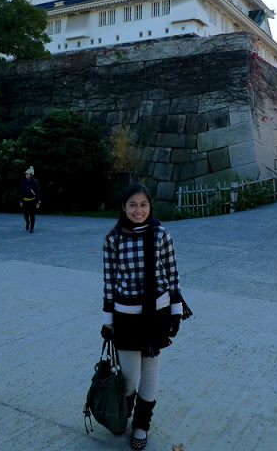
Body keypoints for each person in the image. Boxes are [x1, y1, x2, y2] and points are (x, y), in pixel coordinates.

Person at [102, 183, 183, 450]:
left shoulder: (161, 233)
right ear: (124, 208)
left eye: (143, 204)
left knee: (151, 372)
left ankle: (141, 426)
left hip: (156, 314)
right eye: (133, 205)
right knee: (128, 377)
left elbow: (172, 274)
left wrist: (175, 311)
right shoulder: (113, 238)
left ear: (150, 206)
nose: (139, 210)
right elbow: (109, 282)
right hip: (126, 315)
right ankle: (123, 414)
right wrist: (107, 319)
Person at [19, 166, 40, 233]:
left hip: (33, 200)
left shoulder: (35, 182)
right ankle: (28, 223)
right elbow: (21, 191)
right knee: (26, 215)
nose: (26, 175)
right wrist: (21, 200)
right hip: (25, 200)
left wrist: (37, 202)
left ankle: (32, 227)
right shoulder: (24, 181)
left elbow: (37, 192)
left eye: (27, 174)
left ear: (31, 175)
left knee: (32, 215)